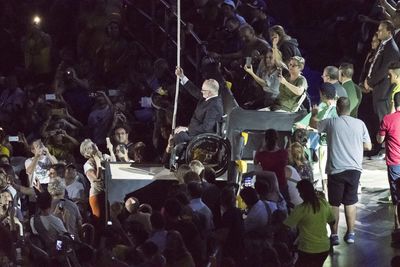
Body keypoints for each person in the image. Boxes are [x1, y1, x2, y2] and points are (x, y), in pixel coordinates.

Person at [317, 97, 372, 245]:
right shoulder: (360, 124)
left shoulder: (331, 122)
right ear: (350, 109)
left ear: (337, 109)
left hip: (336, 169)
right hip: (354, 169)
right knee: (351, 202)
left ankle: (334, 235)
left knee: (334, 204)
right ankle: (351, 233)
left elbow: (313, 125)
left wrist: (316, 113)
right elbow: (368, 146)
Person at [284, 180, 335, 267]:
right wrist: (333, 236)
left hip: (308, 249)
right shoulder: (323, 203)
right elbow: (332, 221)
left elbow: (285, 226)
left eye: (300, 192)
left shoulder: (300, 209)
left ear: (303, 193)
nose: (299, 195)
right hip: (324, 247)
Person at [174, 67, 223, 144]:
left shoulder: (215, 106)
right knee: (176, 130)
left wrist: (187, 129)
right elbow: (195, 91)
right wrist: (182, 77)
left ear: (209, 92)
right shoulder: (208, 96)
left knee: (179, 136)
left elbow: (206, 128)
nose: (201, 91)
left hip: (200, 136)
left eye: (203, 90)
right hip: (194, 128)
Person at [377, 92, 400, 245]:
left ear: (394, 102)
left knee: (397, 198)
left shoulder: (388, 119)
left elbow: (380, 139)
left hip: (394, 163)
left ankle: (398, 228)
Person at [254, 129, 289, 201]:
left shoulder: (262, 155)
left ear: (265, 140)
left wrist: (261, 146)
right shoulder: (283, 153)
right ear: (277, 139)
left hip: (268, 187)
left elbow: (255, 162)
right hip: (282, 184)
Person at [80, 139, 106, 227]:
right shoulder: (87, 165)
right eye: (91, 147)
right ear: (86, 153)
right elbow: (97, 178)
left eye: (94, 145)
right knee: (99, 222)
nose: (94, 147)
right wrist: (97, 161)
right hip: (97, 194)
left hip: (109, 192)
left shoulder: (105, 157)